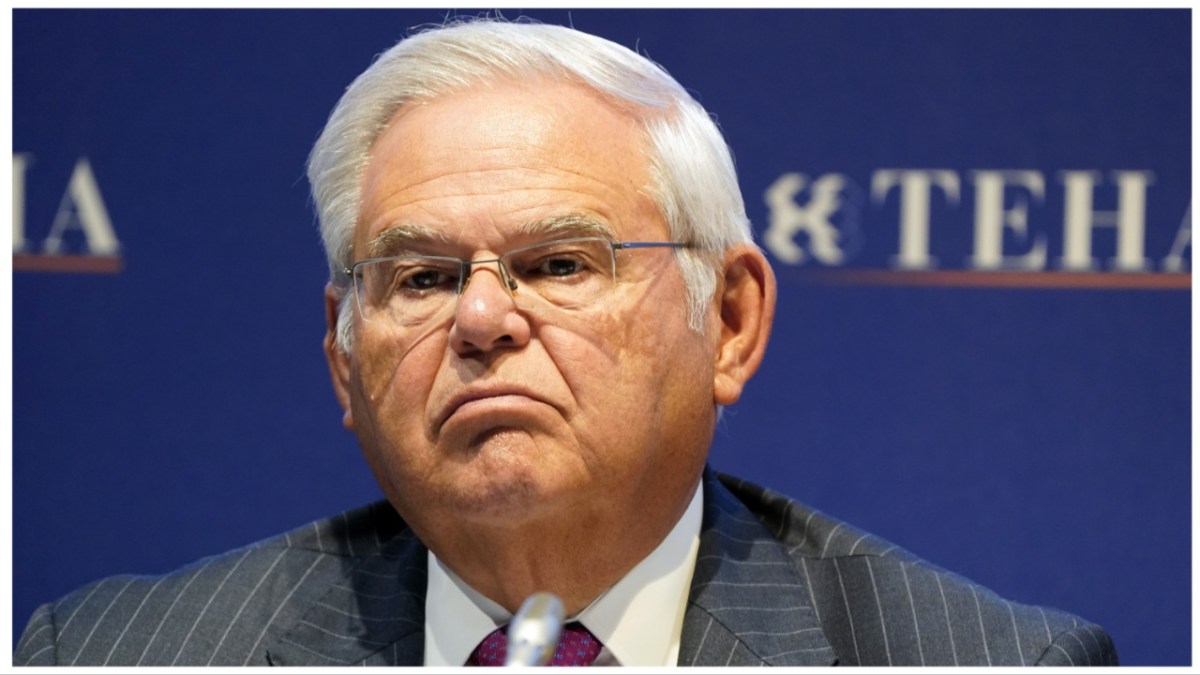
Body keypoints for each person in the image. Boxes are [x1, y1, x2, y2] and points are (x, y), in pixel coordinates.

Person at [14, 18, 1117, 667]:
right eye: (424, 278)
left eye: (557, 265)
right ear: (343, 356)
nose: (483, 321)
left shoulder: (984, 659)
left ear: (729, 321)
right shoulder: (115, 651)